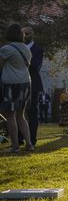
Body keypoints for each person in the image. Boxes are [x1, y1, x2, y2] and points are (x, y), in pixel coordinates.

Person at [0, 24, 34, 153]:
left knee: (10, 115)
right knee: (21, 115)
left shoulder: (6, 49)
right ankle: (29, 144)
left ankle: (15, 146)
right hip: (25, 83)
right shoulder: (26, 48)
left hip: (11, 84)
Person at [17, 26, 43, 146]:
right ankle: (19, 137)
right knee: (18, 111)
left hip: (32, 84)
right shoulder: (16, 48)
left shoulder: (37, 49)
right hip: (17, 82)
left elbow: (35, 66)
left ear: (32, 35)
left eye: (27, 33)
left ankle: (32, 139)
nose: (25, 36)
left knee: (32, 112)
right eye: (23, 33)